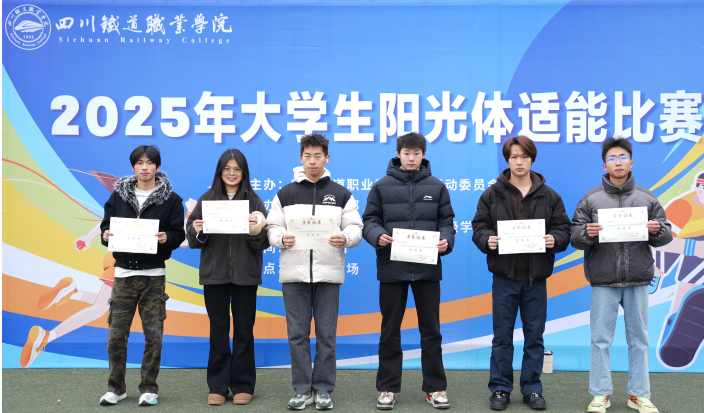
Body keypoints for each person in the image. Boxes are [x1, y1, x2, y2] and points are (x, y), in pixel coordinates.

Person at [571, 137, 672, 413]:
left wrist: (657, 230)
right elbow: (575, 236)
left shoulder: (647, 198)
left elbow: (665, 233)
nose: (618, 162)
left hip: (638, 278)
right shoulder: (591, 199)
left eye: (623, 157)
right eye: (612, 158)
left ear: (631, 162)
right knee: (600, 339)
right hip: (604, 279)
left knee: (639, 340)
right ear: (604, 165)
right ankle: (600, 394)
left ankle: (638, 395)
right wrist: (587, 233)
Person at [471, 136, 571, 411]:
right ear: (507, 159)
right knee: (502, 337)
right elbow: (479, 227)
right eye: (514, 156)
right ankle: (500, 389)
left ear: (532, 160)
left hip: (536, 279)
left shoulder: (549, 195)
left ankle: (532, 388)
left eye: (524, 156)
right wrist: (487, 239)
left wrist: (555, 239)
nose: (519, 161)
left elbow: (564, 228)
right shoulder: (492, 194)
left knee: (534, 337)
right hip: (504, 278)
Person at [266, 134, 363, 410]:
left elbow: (355, 228)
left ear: (327, 158)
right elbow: (272, 227)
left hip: (328, 275)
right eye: (307, 156)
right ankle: (301, 389)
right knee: (296, 335)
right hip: (294, 275)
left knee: (326, 336)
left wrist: (345, 238)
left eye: (318, 156)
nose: (312, 161)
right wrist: (280, 238)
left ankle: (322, 389)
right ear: (301, 158)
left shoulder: (341, 194)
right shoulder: (285, 193)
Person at [362, 132, 456, 410]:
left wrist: (446, 241)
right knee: (390, 330)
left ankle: (435, 388)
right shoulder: (381, 186)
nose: (411, 158)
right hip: (392, 268)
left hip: (427, 269)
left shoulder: (437, 186)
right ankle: (388, 389)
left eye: (416, 153)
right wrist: (376, 235)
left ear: (423, 155)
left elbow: (447, 222)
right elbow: (369, 220)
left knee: (431, 331)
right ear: (398, 154)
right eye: (406, 153)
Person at [99, 145, 185, 406]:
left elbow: (178, 233)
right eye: (139, 162)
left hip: (153, 276)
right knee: (116, 336)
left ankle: (149, 388)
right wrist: (105, 235)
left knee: (153, 336)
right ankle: (116, 388)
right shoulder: (118, 196)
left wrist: (166, 238)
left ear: (157, 166)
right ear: (133, 166)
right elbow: (106, 227)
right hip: (124, 275)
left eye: (149, 163)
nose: (144, 167)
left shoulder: (171, 200)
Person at [186, 149, 269, 406]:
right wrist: (198, 230)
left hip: (246, 276)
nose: (231, 174)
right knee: (218, 331)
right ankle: (218, 386)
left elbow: (263, 242)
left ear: (244, 173)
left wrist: (255, 230)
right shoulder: (207, 199)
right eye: (227, 169)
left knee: (244, 330)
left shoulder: (254, 201)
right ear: (219, 171)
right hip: (215, 275)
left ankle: (243, 385)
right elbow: (193, 239)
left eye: (237, 169)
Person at [649, 171, 704, 369]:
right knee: (671, 252)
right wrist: (695, 248)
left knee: (692, 281)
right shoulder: (683, 206)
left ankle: (678, 317)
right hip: (675, 241)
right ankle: (654, 274)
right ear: (697, 188)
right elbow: (660, 243)